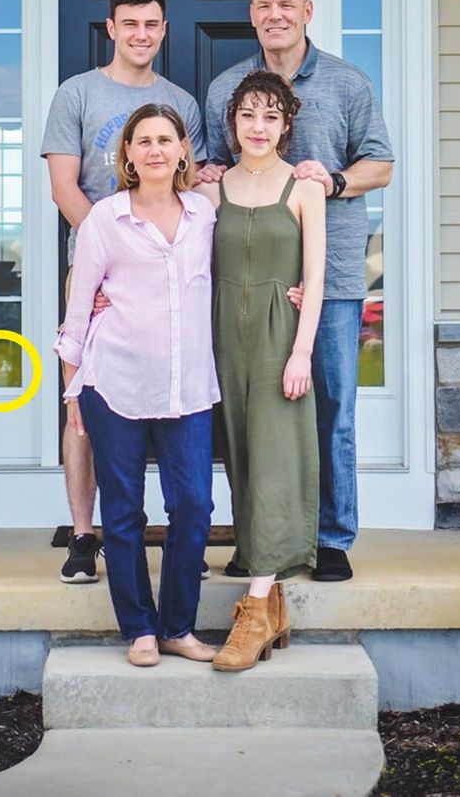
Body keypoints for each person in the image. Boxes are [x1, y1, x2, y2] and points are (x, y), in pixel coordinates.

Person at [203, 0, 394, 582]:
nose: (275, 15)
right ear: (252, 15)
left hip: (329, 274)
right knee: (252, 416)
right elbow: (213, 168)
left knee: (331, 409)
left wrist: (332, 181)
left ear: (307, 11)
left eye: (287, 4)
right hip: (255, 282)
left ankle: (331, 537)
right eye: (264, 5)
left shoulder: (347, 81)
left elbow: (381, 164)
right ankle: (263, 537)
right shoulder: (228, 88)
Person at [41, 0, 206, 583]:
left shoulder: (180, 104)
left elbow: (191, 187)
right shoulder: (76, 93)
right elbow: (64, 188)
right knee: (88, 398)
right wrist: (110, 251)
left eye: (151, 24)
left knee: (169, 395)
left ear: (164, 30)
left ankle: (180, 539)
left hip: (164, 274)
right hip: (96, 273)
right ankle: (86, 535)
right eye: (130, 23)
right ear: (110, 29)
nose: (141, 34)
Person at [54, 103, 219, 667]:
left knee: (193, 506)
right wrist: (72, 390)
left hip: (187, 387)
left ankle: (177, 627)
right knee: (123, 513)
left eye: (165, 140)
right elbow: (80, 307)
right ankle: (140, 630)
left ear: (182, 150)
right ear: (127, 152)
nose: (154, 150)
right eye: (143, 141)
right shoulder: (106, 218)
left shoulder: (203, 213)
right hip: (114, 383)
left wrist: (290, 289)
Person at [195, 70, 325, 672]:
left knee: (274, 462)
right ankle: (271, 600)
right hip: (222, 338)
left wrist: (301, 352)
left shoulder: (304, 188)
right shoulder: (211, 189)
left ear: (286, 125)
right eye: (248, 114)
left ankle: (251, 615)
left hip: (278, 339)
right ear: (232, 123)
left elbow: (315, 278)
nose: (258, 126)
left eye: (271, 116)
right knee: (241, 460)